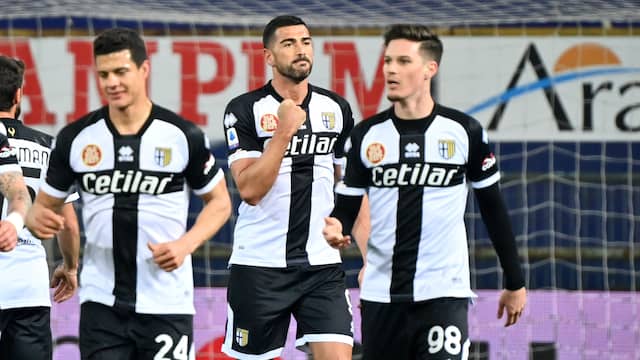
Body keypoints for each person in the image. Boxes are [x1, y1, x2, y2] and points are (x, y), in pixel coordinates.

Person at [25, 28, 232, 359]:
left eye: (121, 72)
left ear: (144, 69)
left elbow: (220, 203)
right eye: (104, 74)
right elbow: (43, 209)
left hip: (166, 301)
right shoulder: (75, 138)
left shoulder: (182, 135)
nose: (112, 82)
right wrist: (37, 221)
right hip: (101, 302)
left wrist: (185, 245)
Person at [323, 24, 527, 360]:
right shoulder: (366, 136)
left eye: (403, 61)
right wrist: (337, 227)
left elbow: (493, 209)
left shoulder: (464, 132)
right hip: (380, 295)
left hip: (443, 294)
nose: (390, 69)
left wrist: (515, 281)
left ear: (430, 68)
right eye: (388, 60)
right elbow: (346, 207)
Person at [221, 15, 359, 360]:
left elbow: (353, 188)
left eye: (306, 41)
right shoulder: (244, 109)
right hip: (259, 266)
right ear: (268, 56)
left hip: (322, 266)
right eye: (289, 43)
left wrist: (368, 256)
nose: (301, 50)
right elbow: (249, 190)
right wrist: (283, 133)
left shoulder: (337, 108)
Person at [0, 55, 80, 360]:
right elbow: (69, 224)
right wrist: (69, 267)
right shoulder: (49, 147)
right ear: (19, 94)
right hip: (27, 287)